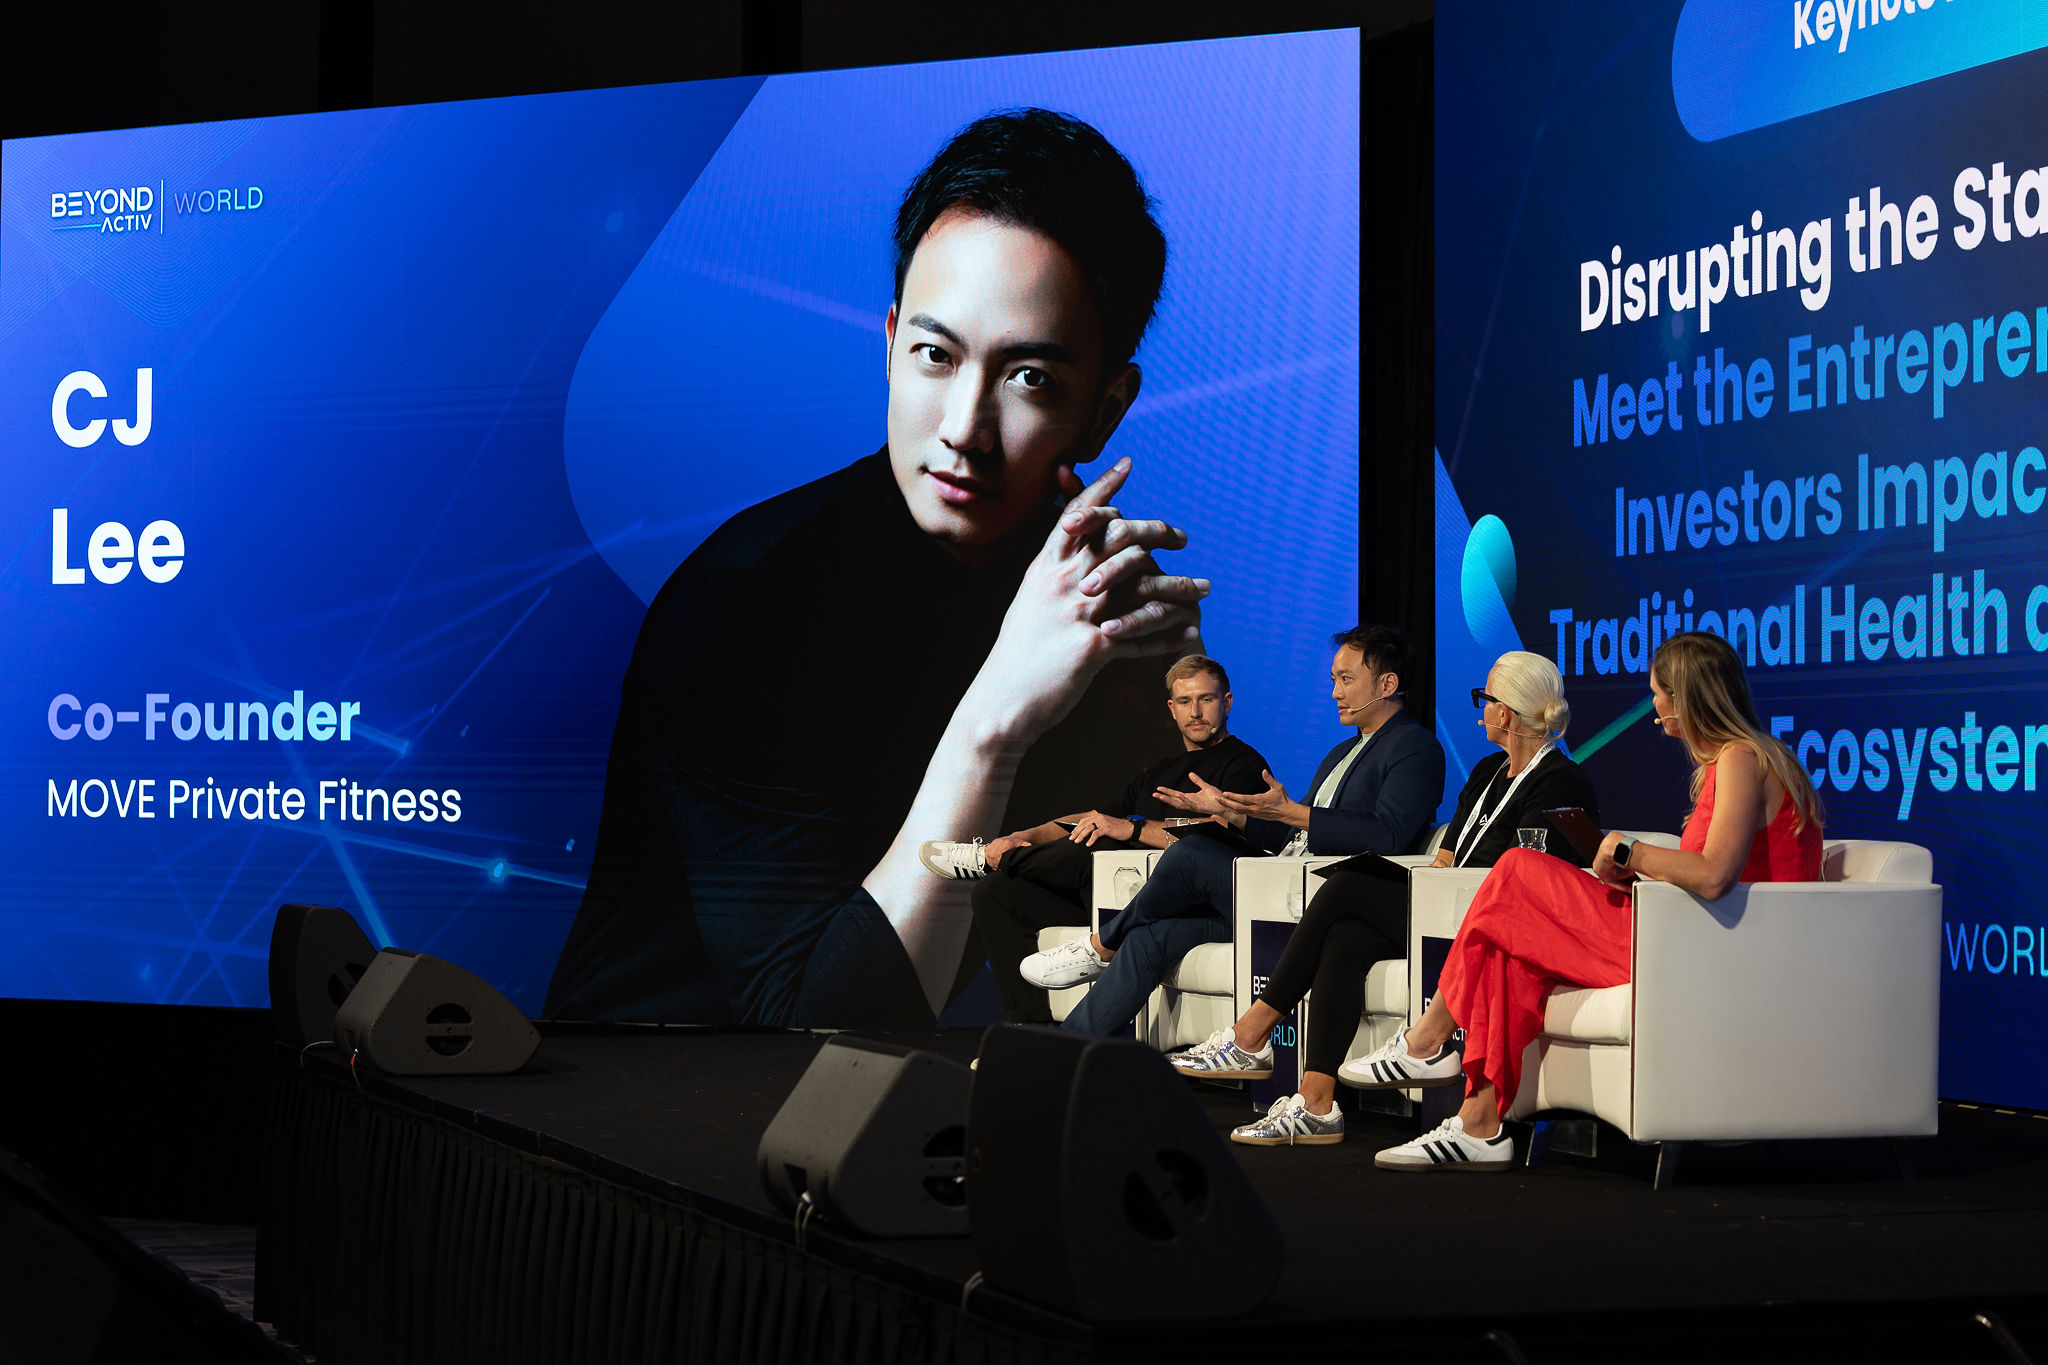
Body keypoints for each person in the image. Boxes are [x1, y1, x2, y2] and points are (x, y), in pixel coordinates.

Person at [545, 110, 1207, 1028]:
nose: (964, 430)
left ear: (1105, 409)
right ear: (890, 344)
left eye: (1030, 378)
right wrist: (997, 721)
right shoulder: (745, 605)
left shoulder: (1095, 606)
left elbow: (1099, 937)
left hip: (911, 1093)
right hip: (651, 1091)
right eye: (936, 355)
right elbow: (816, 1028)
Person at [1347, 631, 1824, 1170]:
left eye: (1658, 694)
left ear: (1687, 695)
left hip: (1705, 949)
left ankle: (1426, 1041)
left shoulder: (1741, 758)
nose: (1654, 707)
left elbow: (1715, 876)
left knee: (1517, 868)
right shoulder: (1740, 760)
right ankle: (1479, 1124)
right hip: (1688, 932)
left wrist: (1629, 850)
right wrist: (1637, 870)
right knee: (1512, 940)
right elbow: (1713, 878)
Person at [1168, 651, 1600, 1147]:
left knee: (1346, 885)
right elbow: (1448, 855)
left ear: (1505, 712)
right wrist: (1434, 880)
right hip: (1447, 905)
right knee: (1347, 937)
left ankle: (1251, 1033)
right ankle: (1315, 1103)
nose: (1480, 710)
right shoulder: (1486, 771)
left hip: (1493, 923)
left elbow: (1536, 880)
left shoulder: (1560, 781)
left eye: (1485, 700)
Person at [1020, 625, 1446, 1038]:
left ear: (1387, 684)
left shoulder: (1414, 746)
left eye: (1346, 679)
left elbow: (1388, 834)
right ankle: (1068, 1050)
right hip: (1278, 887)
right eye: (1333, 680)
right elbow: (1292, 839)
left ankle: (1101, 945)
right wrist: (1233, 812)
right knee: (1152, 936)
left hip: (1321, 897)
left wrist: (1294, 813)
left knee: (1191, 852)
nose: (1335, 692)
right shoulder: (1342, 751)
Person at [922, 655, 1271, 1024]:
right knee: (995, 893)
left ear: (1227, 703)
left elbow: (1217, 839)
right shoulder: (1160, 771)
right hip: (1113, 895)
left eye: (1206, 699)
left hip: (1175, 899)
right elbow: (1091, 818)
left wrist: (1132, 829)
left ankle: (987, 860)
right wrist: (1021, 836)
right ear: (1172, 709)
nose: (1195, 712)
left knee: (1101, 844)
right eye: (1185, 702)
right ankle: (1029, 1028)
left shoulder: (1245, 765)